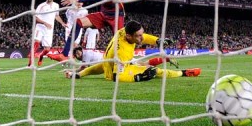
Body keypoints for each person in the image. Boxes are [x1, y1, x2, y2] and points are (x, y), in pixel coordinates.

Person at [65, 20, 201, 82]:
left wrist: (157, 40)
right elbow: (116, 77)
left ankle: (178, 69)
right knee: (153, 70)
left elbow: (99, 67)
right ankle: (183, 73)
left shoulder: (125, 31)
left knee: (146, 66)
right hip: (118, 68)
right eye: (138, 36)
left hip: (109, 63)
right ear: (129, 36)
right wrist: (137, 78)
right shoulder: (122, 51)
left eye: (141, 34)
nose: (142, 38)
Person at [47, 0, 124, 62]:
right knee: (78, 22)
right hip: (103, 13)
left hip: (117, 15)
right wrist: (81, 3)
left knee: (120, 42)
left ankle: (126, 61)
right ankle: (64, 55)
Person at [28, 0, 67, 66]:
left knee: (47, 49)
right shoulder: (41, 6)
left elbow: (56, 16)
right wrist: (45, 23)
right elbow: (35, 18)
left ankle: (41, 56)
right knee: (36, 43)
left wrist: (62, 23)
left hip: (49, 29)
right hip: (40, 27)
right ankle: (30, 64)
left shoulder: (56, 5)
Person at [69, 46, 180, 72]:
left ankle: (164, 60)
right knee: (142, 64)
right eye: (76, 53)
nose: (78, 54)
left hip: (116, 59)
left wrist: (73, 72)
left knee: (141, 66)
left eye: (78, 52)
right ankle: (165, 59)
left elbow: (84, 68)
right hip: (114, 59)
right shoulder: (87, 54)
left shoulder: (86, 54)